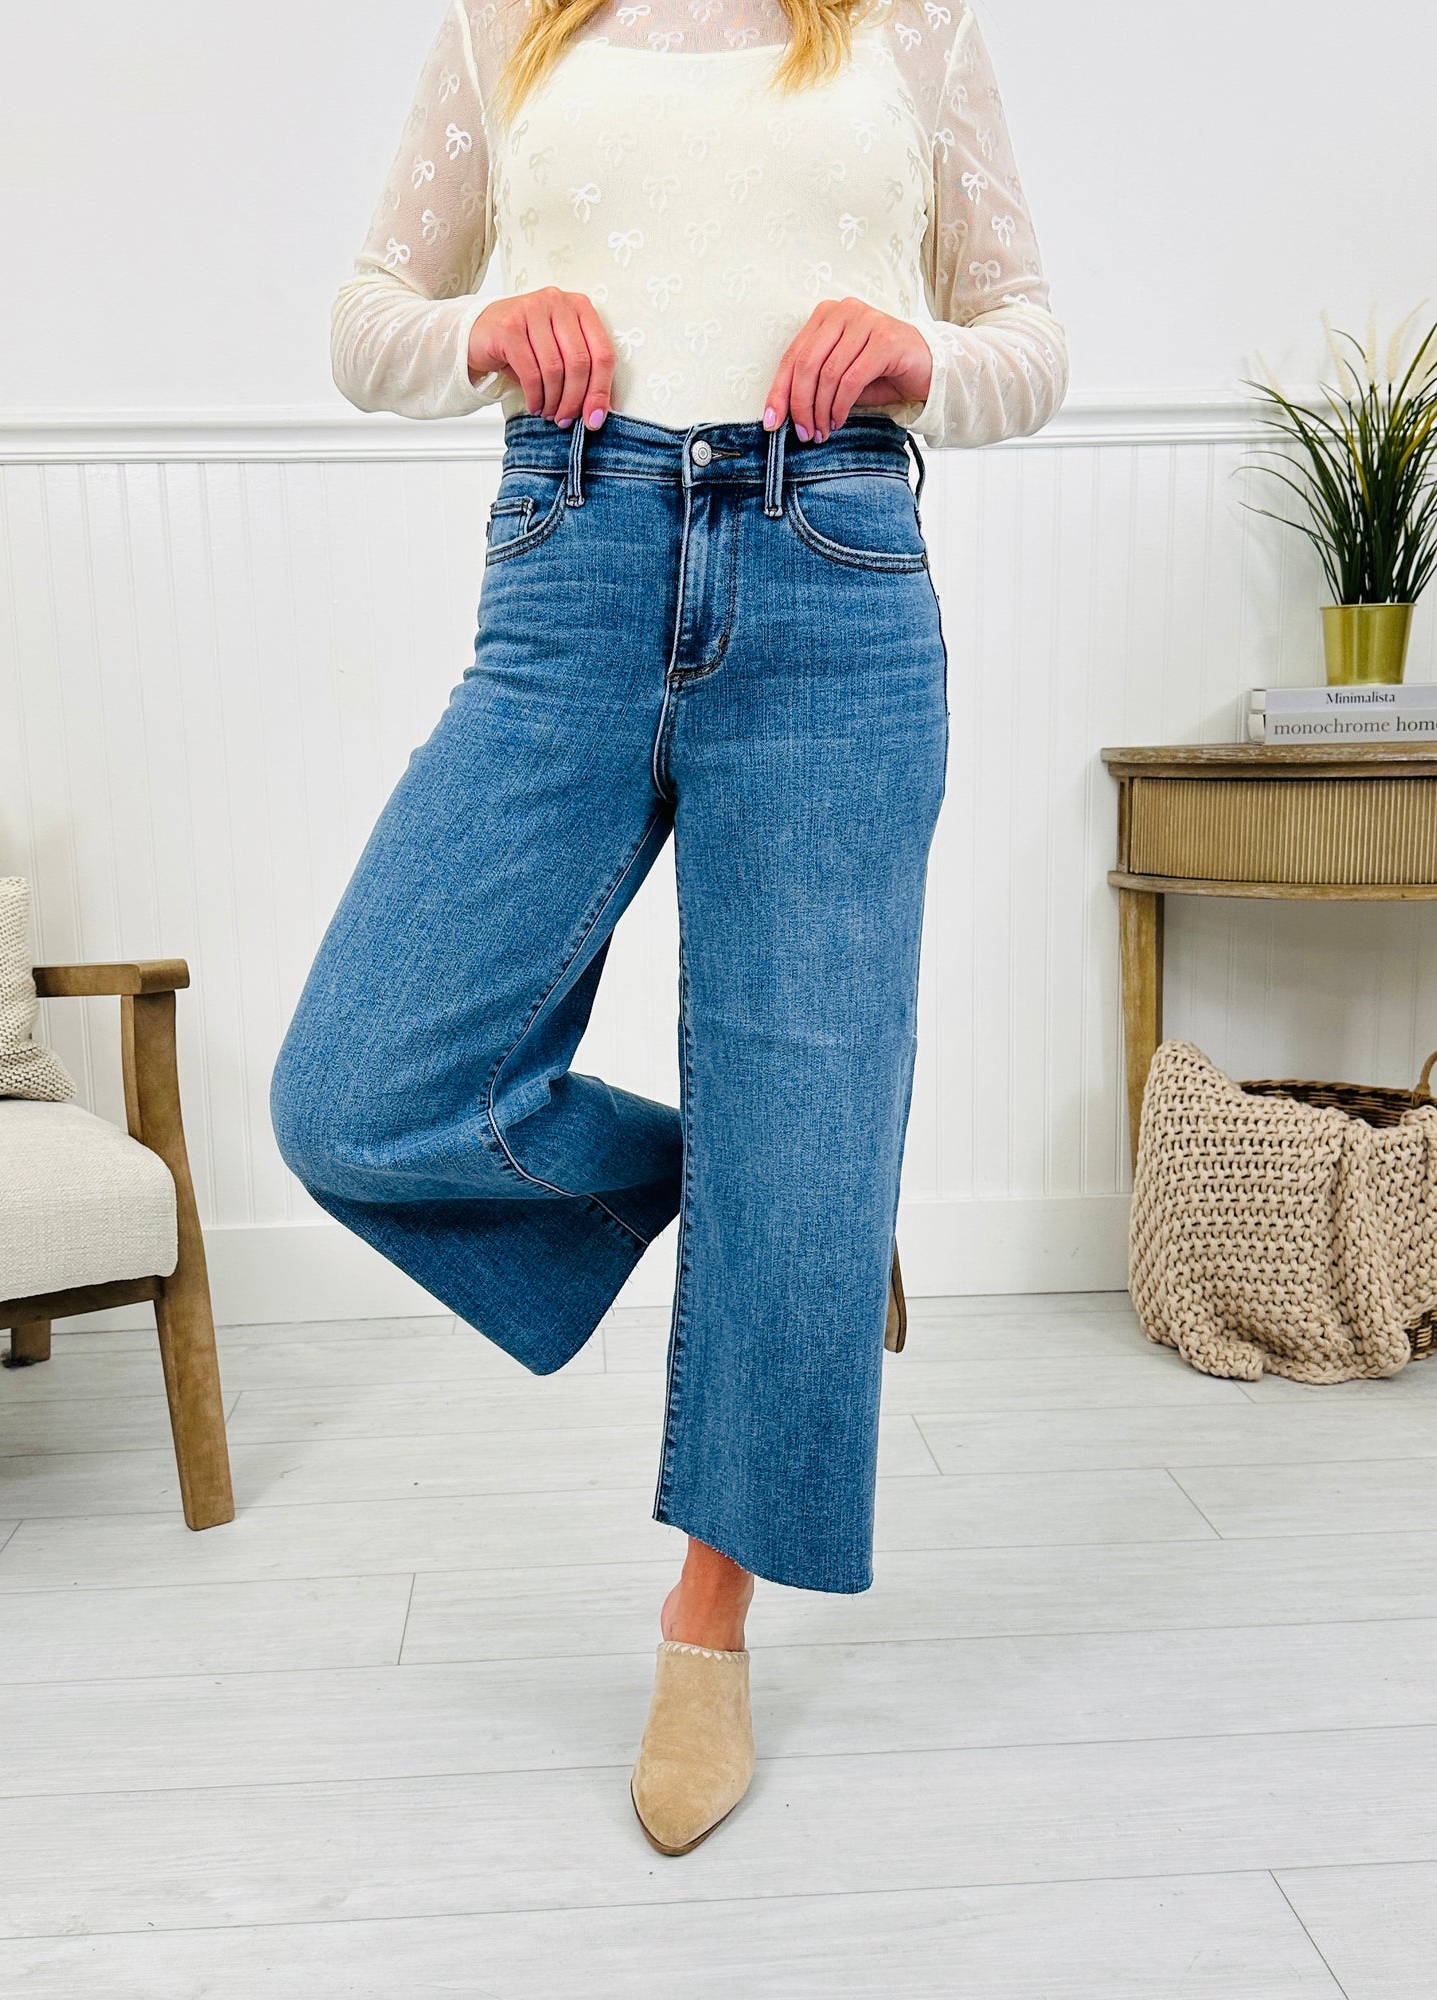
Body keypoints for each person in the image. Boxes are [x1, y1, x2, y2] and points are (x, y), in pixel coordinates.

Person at [271, 0, 1067, 1855]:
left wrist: (925, 356)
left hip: (836, 577)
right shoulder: (506, 24)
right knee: (354, 1094)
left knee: (805, 1124)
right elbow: (365, 318)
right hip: (571, 563)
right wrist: (478, 328)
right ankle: (799, 1212)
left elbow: (1031, 342)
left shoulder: (909, 23)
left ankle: (706, 1627)